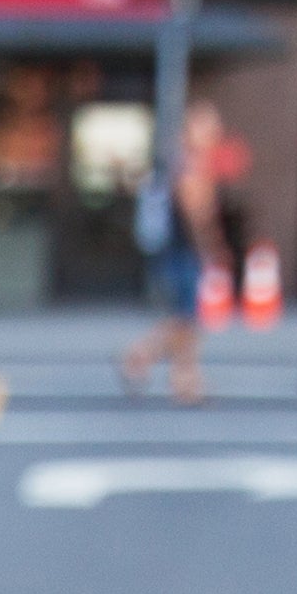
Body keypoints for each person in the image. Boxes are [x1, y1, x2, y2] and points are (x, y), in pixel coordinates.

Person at [118, 98, 239, 404]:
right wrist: (212, 250)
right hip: (184, 254)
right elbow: (198, 215)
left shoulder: (184, 163)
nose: (214, 132)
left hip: (175, 253)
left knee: (188, 321)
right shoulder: (192, 167)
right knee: (188, 320)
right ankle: (142, 356)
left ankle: (184, 381)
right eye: (206, 126)